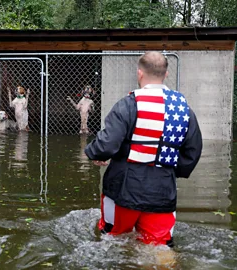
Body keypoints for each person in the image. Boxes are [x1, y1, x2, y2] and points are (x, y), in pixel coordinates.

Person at [84, 51, 203, 248]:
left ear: (139, 73)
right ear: (165, 74)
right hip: (162, 191)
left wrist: (95, 153)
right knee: (160, 247)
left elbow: (107, 144)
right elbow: (193, 151)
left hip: (123, 190)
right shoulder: (183, 109)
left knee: (112, 241)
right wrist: (170, 170)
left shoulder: (128, 104)